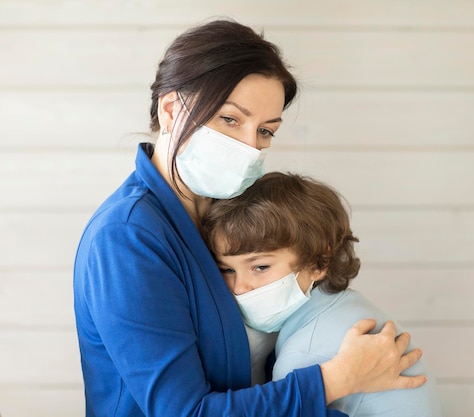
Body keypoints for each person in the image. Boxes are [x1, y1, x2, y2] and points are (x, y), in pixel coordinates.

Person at [73, 19, 426, 417]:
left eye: (265, 131)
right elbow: (186, 412)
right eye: (230, 120)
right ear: (171, 110)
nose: (249, 146)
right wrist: (337, 379)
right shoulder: (128, 238)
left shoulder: (226, 215)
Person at [202, 171, 444, 417]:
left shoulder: (305, 355)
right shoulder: (344, 307)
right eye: (228, 270)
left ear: (318, 262)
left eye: (260, 267)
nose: (240, 287)